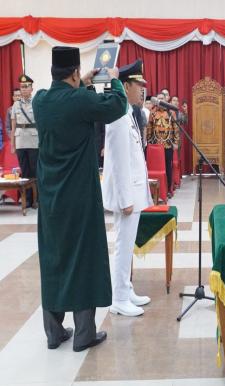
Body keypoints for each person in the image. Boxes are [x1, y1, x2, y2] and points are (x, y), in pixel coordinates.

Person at [32, 46, 127, 351]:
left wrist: (81, 83)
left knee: (54, 257)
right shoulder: (81, 99)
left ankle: (54, 331)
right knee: (84, 257)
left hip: (49, 196)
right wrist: (113, 80)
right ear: (75, 72)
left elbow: (65, 103)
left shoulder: (40, 101)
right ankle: (84, 333)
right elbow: (117, 106)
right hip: (80, 195)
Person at [102, 59, 152, 317]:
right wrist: (125, 199)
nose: (142, 89)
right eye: (137, 85)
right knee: (123, 244)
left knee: (128, 244)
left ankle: (126, 287)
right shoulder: (119, 116)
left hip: (132, 191)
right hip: (126, 195)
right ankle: (119, 298)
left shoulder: (129, 112)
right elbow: (120, 162)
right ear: (124, 85)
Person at [10, 75, 38, 207]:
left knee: (35, 170)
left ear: (32, 88)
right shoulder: (16, 105)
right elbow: (13, 125)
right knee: (24, 171)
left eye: (27, 86)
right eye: (22, 87)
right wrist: (12, 144)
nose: (24, 89)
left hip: (34, 140)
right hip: (20, 140)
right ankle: (27, 199)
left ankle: (36, 199)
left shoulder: (36, 102)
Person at [147, 93, 180, 197]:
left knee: (168, 168)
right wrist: (148, 142)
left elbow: (176, 129)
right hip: (156, 146)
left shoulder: (171, 113)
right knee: (158, 169)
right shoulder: (152, 112)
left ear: (165, 100)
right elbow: (149, 128)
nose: (160, 100)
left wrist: (176, 142)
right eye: (159, 99)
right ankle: (158, 192)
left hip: (168, 145)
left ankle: (169, 190)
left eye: (162, 98)